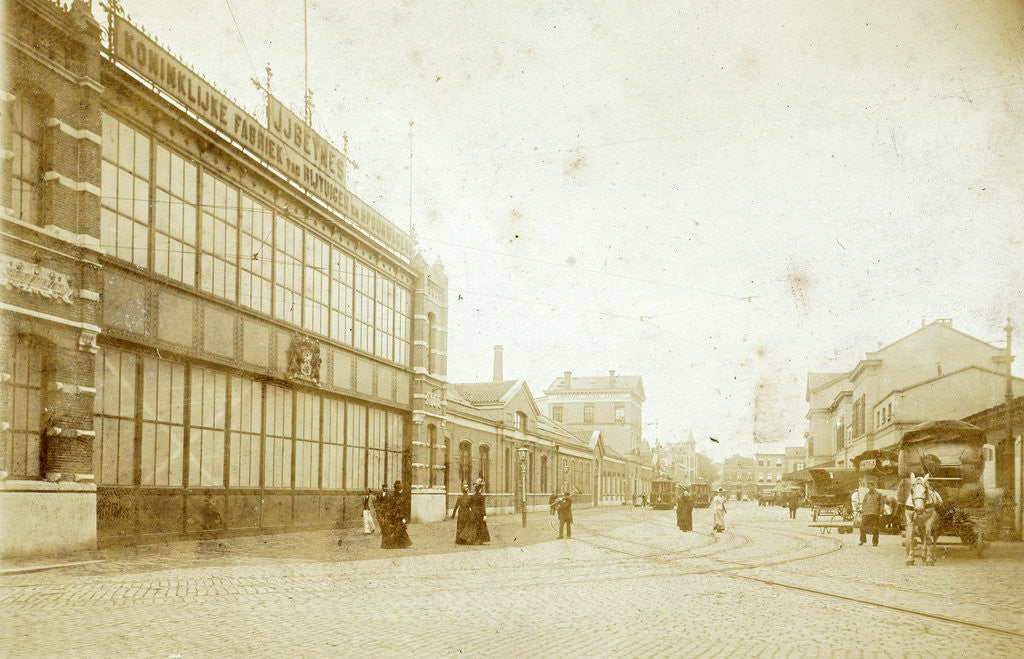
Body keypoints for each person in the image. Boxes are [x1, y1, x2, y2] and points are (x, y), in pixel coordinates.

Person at [381, 480, 412, 549]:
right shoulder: (394, 495)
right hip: (395, 514)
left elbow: (403, 506)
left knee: (399, 528)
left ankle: (398, 544)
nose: (398, 489)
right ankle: (396, 544)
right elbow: (391, 504)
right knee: (397, 528)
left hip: (397, 514)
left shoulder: (397, 495)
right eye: (397, 487)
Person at [859, 481, 883, 546]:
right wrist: (863, 511)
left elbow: (881, 503)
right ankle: (862, 540)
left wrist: (880, 512)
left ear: (874, 486)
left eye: (872, 486)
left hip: (875, 513)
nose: (871, 487)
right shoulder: (866, 495)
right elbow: (863, 503)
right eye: (869, 486)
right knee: (861, 526)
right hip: (866, 513)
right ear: (868, 487)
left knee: (875, 528)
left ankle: (875, 542)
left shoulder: (879, 494)